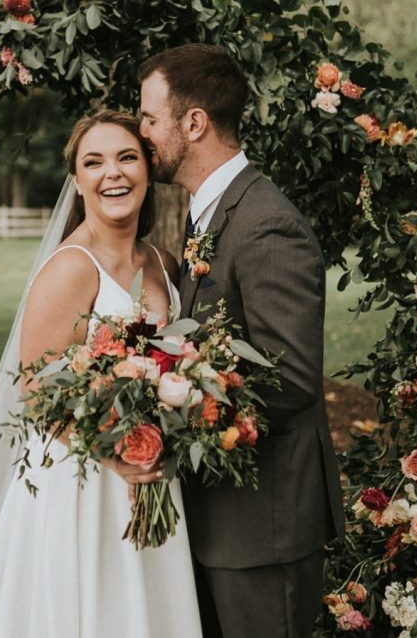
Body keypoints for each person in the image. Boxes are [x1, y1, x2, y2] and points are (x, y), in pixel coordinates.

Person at [0, 110, 202, 637]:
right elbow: (35, 393)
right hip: (83, 483)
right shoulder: (70, 268)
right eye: (93, 163)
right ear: (77, 181)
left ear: (148, 167)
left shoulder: (162, 264)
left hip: (150, 474)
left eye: (127, 157)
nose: (113, 174)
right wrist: (116, 456)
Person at [138, 44, 346, 638]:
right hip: (219, 517)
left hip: (264, 527)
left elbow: (291, 378)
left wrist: (173, 403)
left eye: (151, 118)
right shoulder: (210, 213)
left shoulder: (266, 224)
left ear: (194, 122)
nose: (144, 130)